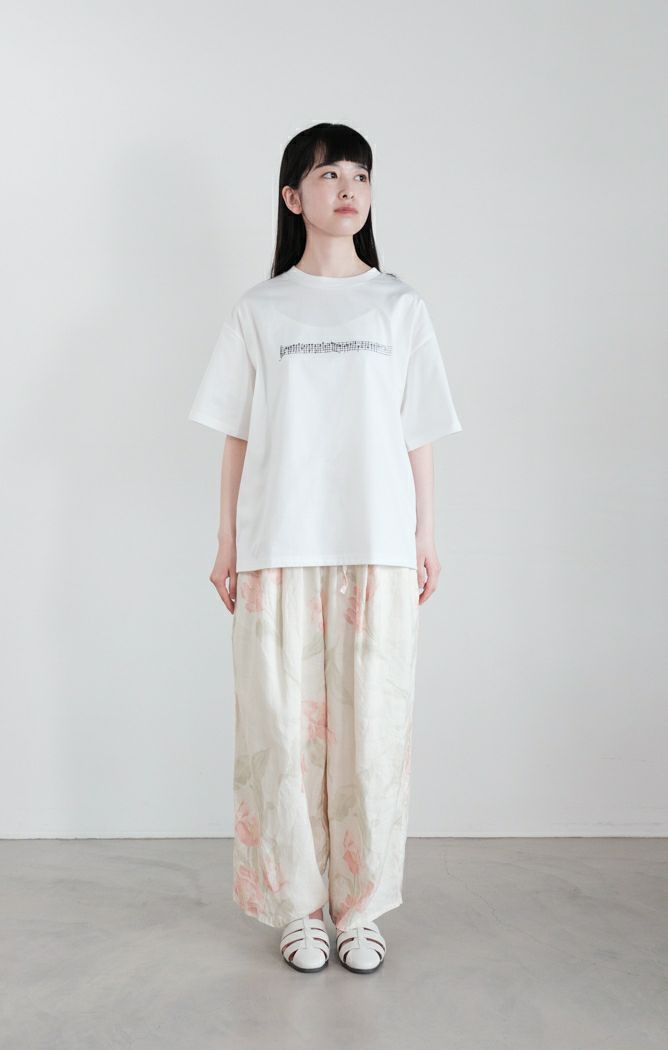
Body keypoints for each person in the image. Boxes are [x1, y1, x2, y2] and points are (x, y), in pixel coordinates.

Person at [188, 122, 463, 974]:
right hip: (278, 544)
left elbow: (419, 430)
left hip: (376, 546)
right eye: (328, 174)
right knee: (280, 734)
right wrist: (227, 539)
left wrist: (425, 532)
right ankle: (298, 908)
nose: (349, 189)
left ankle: (360, 908)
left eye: (361, 175)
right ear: (292, 196)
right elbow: (235, 433)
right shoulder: (261, 309)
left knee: (373, 733)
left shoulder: (399, 307)